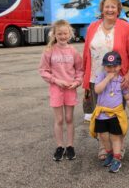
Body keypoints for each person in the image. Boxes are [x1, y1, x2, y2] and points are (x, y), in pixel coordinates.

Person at [82, 0, 129, 160]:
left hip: (117, 80)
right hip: (95, 79)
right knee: (99, 114)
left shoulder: (125, 27)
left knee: (116, 116)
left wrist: (128, 76)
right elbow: (86, 54)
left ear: (118, 10)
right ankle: (103, 147)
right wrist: (85, 80)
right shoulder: (93, 27)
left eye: (113, 7)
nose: (110, 9)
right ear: (102, 9)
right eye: (107, 6)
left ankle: (119, 147)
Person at [39, 19, 83, 161]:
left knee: (69, 118)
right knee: (59, 119)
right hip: (56, 89)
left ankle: (70, 146)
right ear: (54, 35)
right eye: (59, 34)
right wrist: (56, 81)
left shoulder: (74, 51)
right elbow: (43, 71)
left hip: (70, 89)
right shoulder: (49, 51)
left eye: (65, 33)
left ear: (70, 34)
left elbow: (80, 70)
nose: (63, 36)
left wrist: (77, 82)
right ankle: (60, 146)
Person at [89, 51, 129, 173]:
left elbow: (126, 96)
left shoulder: (121, 80)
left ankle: (117, 158)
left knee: (115, 137)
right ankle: (109, 154)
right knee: (103, 136)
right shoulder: (101, 76)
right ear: (104, 66)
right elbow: (97, 90)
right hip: (102, 113)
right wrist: (107, 78)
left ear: (119, 66)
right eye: (109, 66)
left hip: (115, 114)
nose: (112, 69)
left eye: (115, 66)